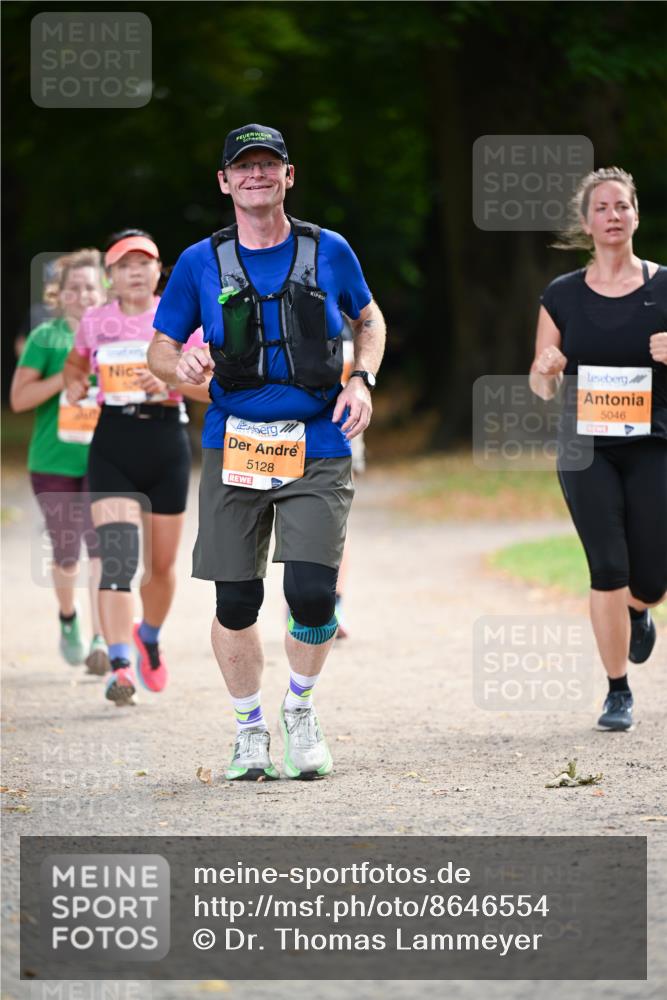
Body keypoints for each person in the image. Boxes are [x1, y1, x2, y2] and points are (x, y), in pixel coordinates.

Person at [148, 123, 386, 780]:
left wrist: (362, 376)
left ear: (288, 175)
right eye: (242, 167)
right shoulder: (200, 261)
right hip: (235, 446)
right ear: (224, 181)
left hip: (318, 442)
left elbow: (368, 318)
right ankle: (248, 728)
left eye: (268, 165)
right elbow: (160, 350)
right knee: (235, 602)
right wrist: (183, 365)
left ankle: (300, 710)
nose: (256, 175)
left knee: (311, 596)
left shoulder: (328, 250)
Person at [530, 166, 667, 732]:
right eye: (603, 208)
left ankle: (639, 610)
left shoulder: (664, 287)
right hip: (586, 447)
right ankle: (617, 691)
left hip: (654, 443)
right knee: (607, 566)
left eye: (623, 206)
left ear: (636, 216)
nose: (614, 216)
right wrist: (547, 368)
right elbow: (541, 381)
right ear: (587, 223)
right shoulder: (562, 295)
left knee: (652, 579)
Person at [63, 229, 210, 706]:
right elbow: (74, 365)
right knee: (119, 558)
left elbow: (211, 389)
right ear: (111, 276)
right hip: (113, 442)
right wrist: (73, 386)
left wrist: (169, 377)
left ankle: (148, 635)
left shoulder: (182, 318)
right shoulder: (95, 321)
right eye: (125, 265)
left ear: (158, 269)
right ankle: (121, 665)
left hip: (167, 440)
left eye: (144, 263)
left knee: (162, 566)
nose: (135, 272)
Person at [10, 249, 109, 673]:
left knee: (104, 547)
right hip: (54, 460)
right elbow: (19, 399)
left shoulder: (117, 334)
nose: (83, 294)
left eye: (90, 286)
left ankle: (104, 637)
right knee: (67, 553)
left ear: (103, 290)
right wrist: (65, 376)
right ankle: (69, 618)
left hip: (106, 457)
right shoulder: (45, 338)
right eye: (74, 288)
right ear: (60, 294)